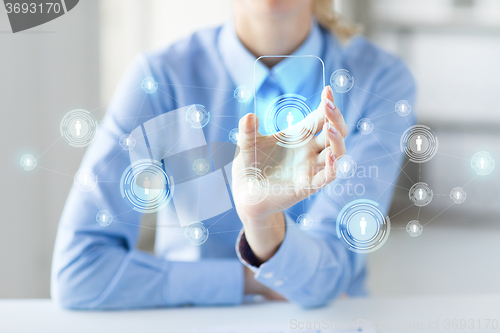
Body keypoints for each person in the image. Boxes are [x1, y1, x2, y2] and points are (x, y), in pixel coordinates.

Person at [51, 0, 416, 309]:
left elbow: (327, 278)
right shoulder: (162, 79)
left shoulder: (379, 81)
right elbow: (79, 272)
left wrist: (261, 221)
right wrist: (249, 281)